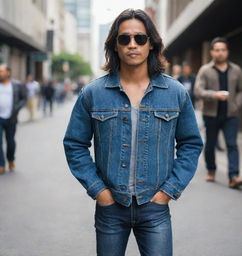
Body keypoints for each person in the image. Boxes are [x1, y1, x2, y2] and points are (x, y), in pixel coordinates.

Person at [63, 9, 203, 256]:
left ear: (151, 44)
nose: (132, 45)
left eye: (140, 38)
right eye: (124, 39)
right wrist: (99, 191)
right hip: (110, 207)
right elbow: (74, 144)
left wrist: (168, 191)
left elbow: (191, 144)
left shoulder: (176, 92)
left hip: (155, 207)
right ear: (114, 46)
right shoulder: (93, 93)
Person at [194, 37, 242, 188]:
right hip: (210, 114)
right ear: (212, 52)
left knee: (232, 145)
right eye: (217, 50)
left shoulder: (236, 69)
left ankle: (234, 176)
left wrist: (237, 103)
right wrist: (214, 95)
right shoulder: (205, 70)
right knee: (210, 145)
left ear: (227, 52)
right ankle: (211, 170)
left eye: (223, 50)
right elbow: (198, 91)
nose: (220, 53)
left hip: (231, 115)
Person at [0, 64, 27, 174]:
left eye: (1, 71)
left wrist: (16, 109)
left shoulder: (16, 85)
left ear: (8, 73)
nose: (0, 73)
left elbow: (23, 99)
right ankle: (1, 164)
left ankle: (10, 159)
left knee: (10, 142)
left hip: (11, 118)